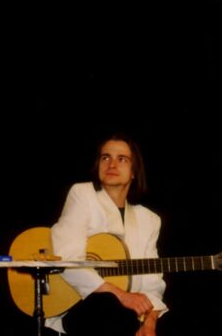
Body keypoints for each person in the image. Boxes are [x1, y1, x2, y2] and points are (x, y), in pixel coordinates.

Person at [47, 133, 167, 336]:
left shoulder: (149, 219)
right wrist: (120, 295)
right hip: (78, 303)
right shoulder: (82, 194)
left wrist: (150, 322)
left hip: (125, 315)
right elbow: (67, 258)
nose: (112, 164)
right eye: (105, 157)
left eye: (122, 159)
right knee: (107, 305)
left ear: (134, 171)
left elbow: (152, 283)